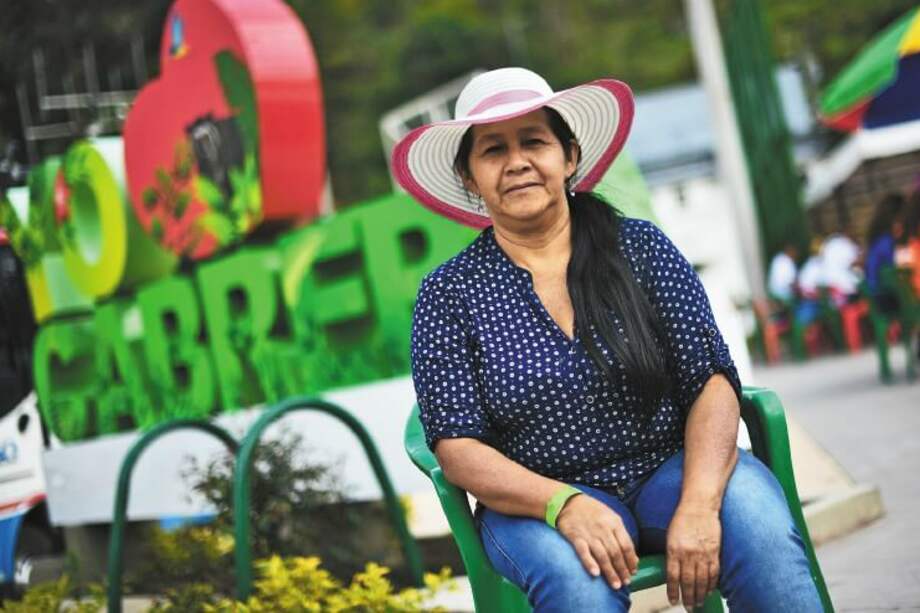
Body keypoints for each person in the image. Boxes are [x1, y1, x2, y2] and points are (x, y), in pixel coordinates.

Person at [395, 68, 822, 612]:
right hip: (531, 503)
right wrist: (562, 504)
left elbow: (711, 381)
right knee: (577, 586)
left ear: (568, 157)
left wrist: (698, 501)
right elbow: (456, 447)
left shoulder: (640, 247)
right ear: (471, 177)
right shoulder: (448, 293)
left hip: (670, 470)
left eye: (534, 141)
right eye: (493, 150)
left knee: (756, 527)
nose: (517, 161)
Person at [864, 193, 905, 315]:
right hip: (890, 296)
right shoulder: (887, 241)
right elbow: (899, 265)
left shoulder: (877, 239)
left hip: (880, 294)